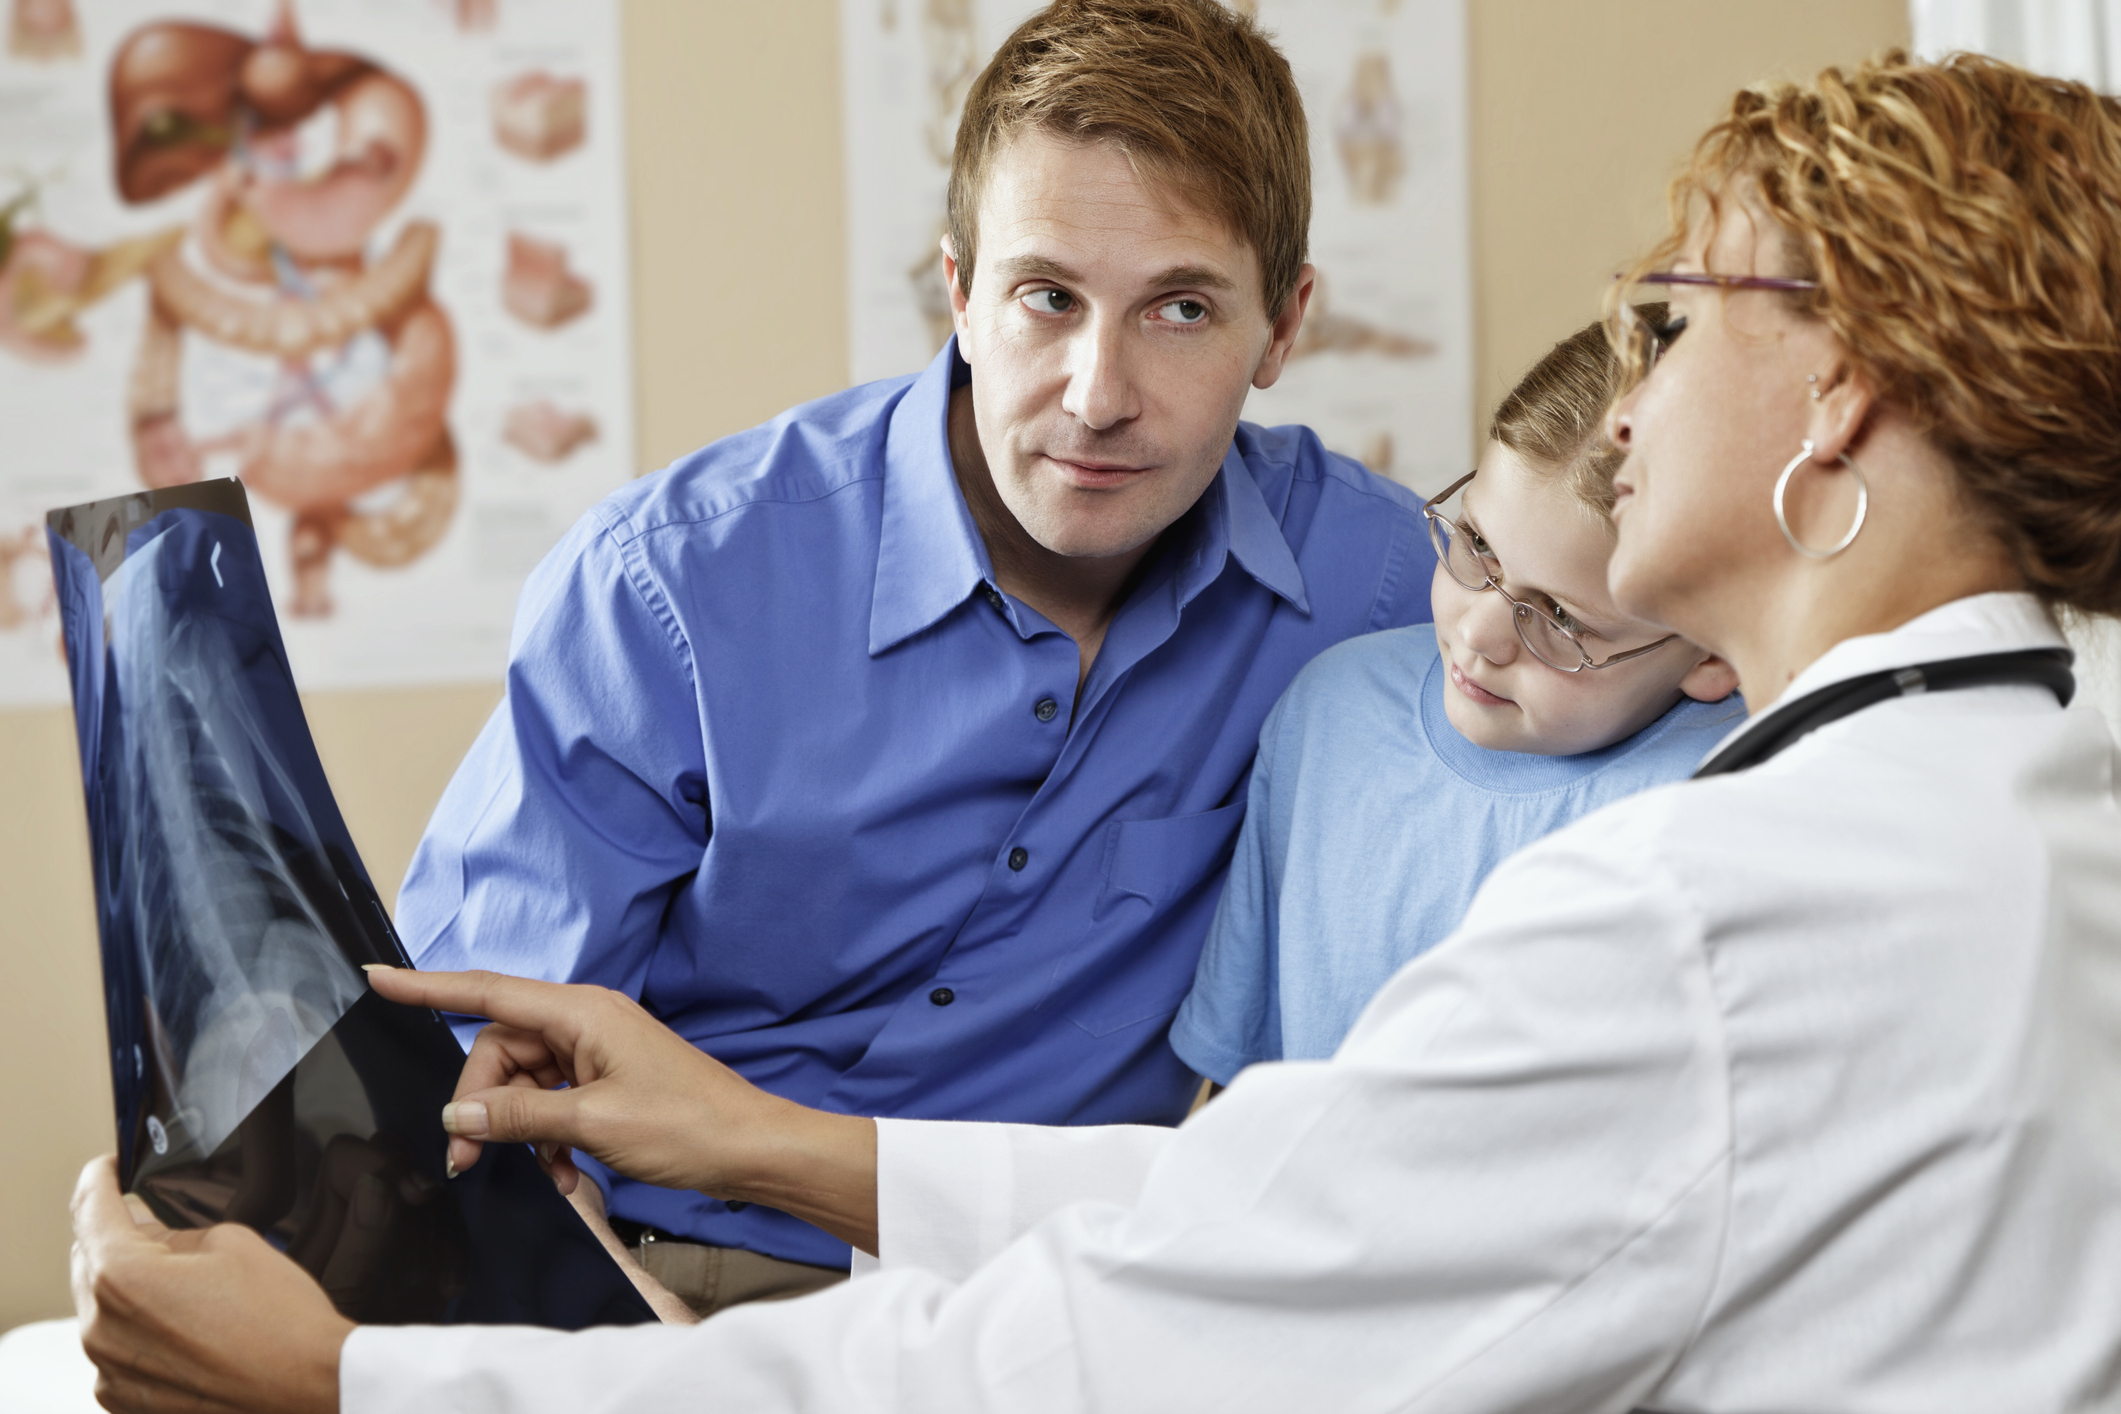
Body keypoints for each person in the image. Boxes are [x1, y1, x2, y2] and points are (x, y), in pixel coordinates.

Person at [72, 47, 2121, 1414]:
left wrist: (347, 1389)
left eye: (1669, 322)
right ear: (957, 289)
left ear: (1842, 398)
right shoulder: (2023, 779)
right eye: (1045, 297)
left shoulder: (1688, 905)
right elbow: (1292, 1219)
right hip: (682, 1251)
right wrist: (740, 1143)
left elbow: (1146, 1327)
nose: (1624, 397)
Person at [386, 0, 1430, 1312]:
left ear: (1282, 326)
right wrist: (620, 1341)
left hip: (1074, 1301)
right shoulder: (670, 585)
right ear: (960, 294)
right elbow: (476, 1077)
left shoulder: (1383, 584)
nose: (1097, 394)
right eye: (1046, 297)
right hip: (675, 1284)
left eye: (1180, 308)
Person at [1174, 315, 1741, 1082]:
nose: (1476, 635)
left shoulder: (1722, 804)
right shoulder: (1329, 715)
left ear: (1711, 652)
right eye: (1476, 545)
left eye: (1559, 619)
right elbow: (1243, 1088)